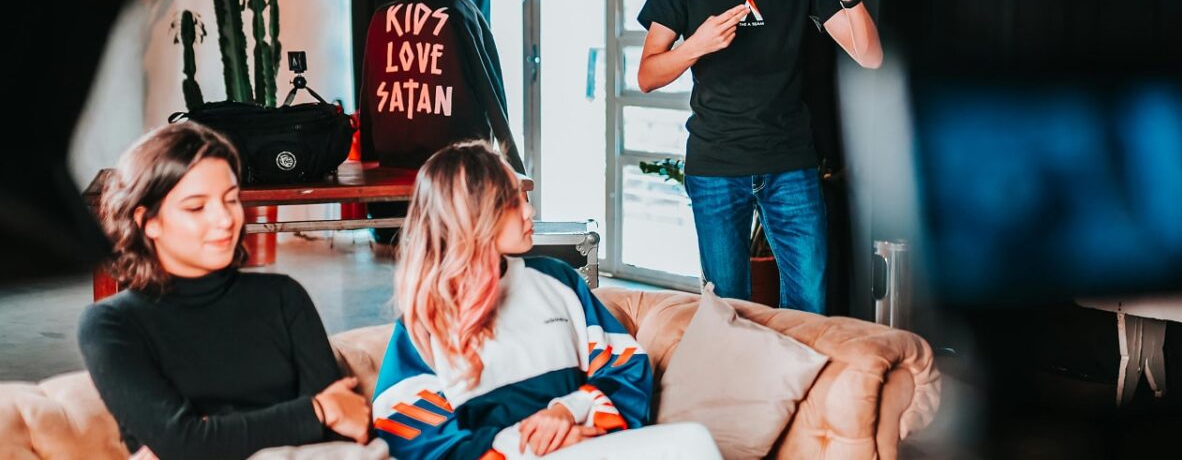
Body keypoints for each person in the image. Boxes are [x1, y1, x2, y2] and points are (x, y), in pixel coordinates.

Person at [636, 0, 884, 314]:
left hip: (790, 163)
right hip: (716, 165)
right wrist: (695, 45)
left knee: (809, 306)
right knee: (728, 311)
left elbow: (870, 56)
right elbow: (648, 74)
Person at [373, 141, 720, 459]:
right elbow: (412, 438)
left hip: (589, 445)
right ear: (475, 216)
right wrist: (530, 445)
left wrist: (567, 411)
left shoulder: (558, 280)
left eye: (524, 197)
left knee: (693, 440)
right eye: (513, 202)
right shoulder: (425, 323)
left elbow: (627, 368)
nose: (530, 211)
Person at [77, 122, 372, 460]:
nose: (225, 219)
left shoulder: (283, 296)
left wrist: (213, 434)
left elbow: (342, 427)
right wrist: (316, 411)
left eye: (231, 199)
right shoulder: (111, 324)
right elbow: (185, 444)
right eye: (196, 207)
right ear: (148, 221)